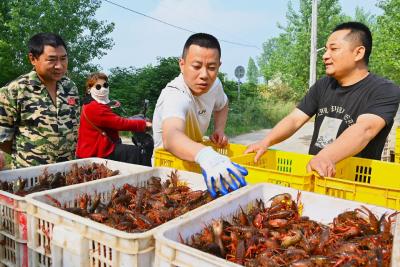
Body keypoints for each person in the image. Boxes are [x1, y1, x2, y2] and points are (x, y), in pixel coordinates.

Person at [246, 22, 400, 177]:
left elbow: (365, 129)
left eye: (333, 49)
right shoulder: (323, 85)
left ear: (358, 53)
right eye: (326, 49)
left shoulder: (384, 89)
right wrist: (265, 142)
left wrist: (326, 157)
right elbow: (295, 119)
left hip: (355, 182)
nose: (325, 55)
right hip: (316, 174)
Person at [152, 33, 248, 198]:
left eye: (211, 68)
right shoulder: (175, 94)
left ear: (219, 66)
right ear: (182, 65)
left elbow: (223, 105)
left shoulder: (215, 85)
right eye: (196, 66)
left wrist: (219, 129)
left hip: (200, 165)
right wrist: (206, 155)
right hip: (170, 171)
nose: (204, 75)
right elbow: (172, 136)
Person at [0, 33, 80, 169]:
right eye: (52, 59)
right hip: (29, 175)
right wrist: (30, 154)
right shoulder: (15, 90)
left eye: (63, 59)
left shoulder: (70, 87)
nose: (59, 66)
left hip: (67, 171)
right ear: (33, 59)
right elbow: (2, 138)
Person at [75, 72, 153, 166]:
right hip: (96, 152)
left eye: (105, 85)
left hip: (95, 148)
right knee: (137, 153)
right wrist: (143, 124)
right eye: (98, 87)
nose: (103, 89)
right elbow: (119, 123)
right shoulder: (94, 107)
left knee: (128, 151)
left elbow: (109, 120)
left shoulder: (90, 103)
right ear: (89, 89)